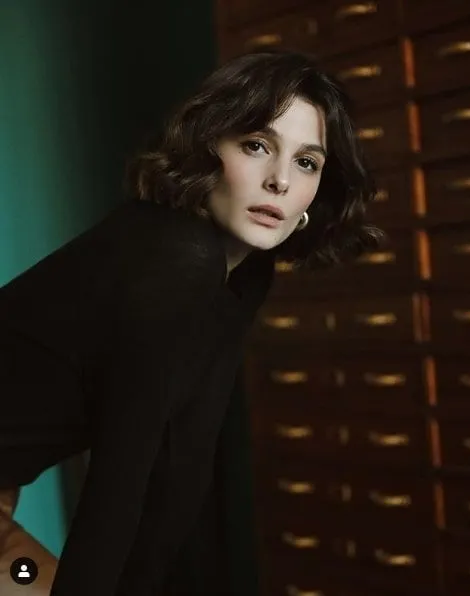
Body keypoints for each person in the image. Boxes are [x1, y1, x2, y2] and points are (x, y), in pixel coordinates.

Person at [0, 49, 382, 596]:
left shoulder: (244, 273)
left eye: (306, 162)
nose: (279, 180)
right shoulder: (176, 256)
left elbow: (183, 462)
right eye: (256, 145)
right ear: (207, 148)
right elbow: (121, 475)